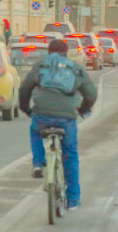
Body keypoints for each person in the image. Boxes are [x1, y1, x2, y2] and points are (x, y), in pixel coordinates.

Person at [19, 39, 97, 211]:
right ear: (66, 53)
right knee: (70, 153)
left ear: (49, 52)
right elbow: (91, 93)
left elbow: (24, 90)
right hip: (67, 116)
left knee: (35, 129)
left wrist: (26, 109)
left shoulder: (41, 66)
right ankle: (73, 200)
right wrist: (82, 109)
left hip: (43, 114)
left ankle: (38, 163)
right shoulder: (74, 67)